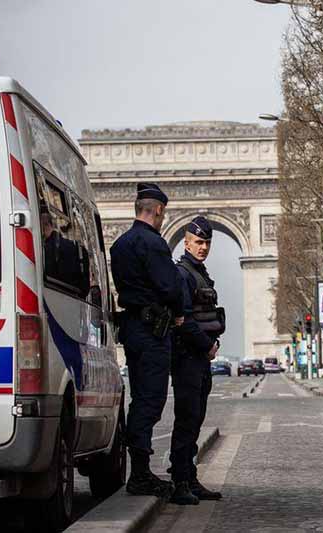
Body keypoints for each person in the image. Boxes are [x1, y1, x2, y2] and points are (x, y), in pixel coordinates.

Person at [110, 183, 183, 498]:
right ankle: (140, 476)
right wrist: (179, 311)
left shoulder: (119, 244)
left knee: (139, 398)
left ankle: (138, 470)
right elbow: (169, 287)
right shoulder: (153, 243)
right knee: (151, 401)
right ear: (158, 211)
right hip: (154, 331)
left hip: (132, 328)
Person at [167, 215, 225, 505]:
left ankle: (189, 477)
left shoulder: (199, 273)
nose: (203, 247)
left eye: (207, 243)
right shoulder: (182, 274)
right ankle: (179, 482)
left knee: (196, 419)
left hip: (200, 357)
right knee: (186, 420)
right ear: (186, 242)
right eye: (198, 242)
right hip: (189, 357)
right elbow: (183, 320)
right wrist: (206, 346)